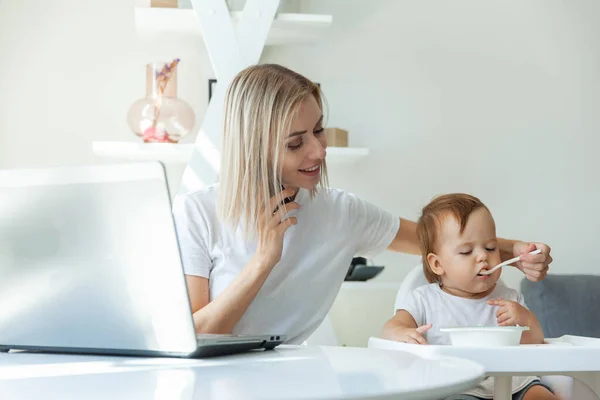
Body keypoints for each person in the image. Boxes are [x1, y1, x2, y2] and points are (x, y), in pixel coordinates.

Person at [172, 63, 552, 344]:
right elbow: (195, 337)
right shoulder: (197, 214)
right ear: (252, 146)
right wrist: (264, 260)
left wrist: (516, 250)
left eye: (319, 130)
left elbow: (439, 240)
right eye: (295, 142)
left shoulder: (341, 213)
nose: (319, 151)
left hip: (295, 376)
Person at [381, 193, 557, 400]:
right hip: (457, 386)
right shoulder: (423, 300)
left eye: (491, 248)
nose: (483, 256)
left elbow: (536, 343)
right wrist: (402, 333)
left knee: (541, 395)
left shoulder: (509, 297)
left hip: (513, 382)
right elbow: (391, 328)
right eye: (466, 251)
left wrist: (525, 320)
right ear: (437, 264)